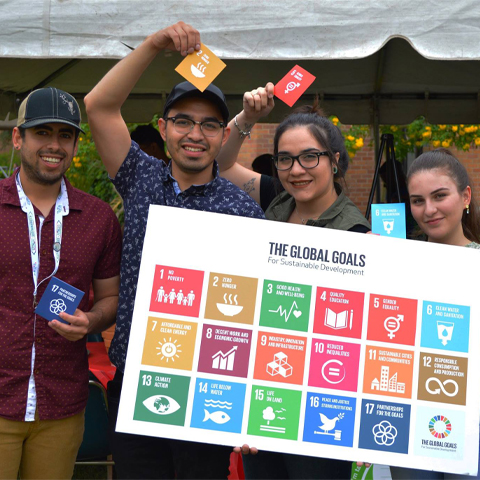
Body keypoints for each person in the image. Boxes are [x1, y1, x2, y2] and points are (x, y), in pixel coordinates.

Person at [84, 21, 264, 480]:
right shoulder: (140, 177)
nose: (194, 134)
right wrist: (153, 44)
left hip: (209, 387)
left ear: (224, 136)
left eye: (208, 124)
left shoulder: (242, 211)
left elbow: (260, 312)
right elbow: (99, 106)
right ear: (163, 128)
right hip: (136, 376)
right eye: (182, 121)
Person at [219, 85, 370, 479]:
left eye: (309, 157)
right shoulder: (273, 199)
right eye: (285, 159)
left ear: (334, 161)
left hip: (320, 413)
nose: (296, 169)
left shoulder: (359, 237)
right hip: (263, 401)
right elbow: (220, 164)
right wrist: (248, 119)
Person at [0, 87, 122, 479]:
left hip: (60, 406)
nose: (54, 145)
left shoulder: (98, 219)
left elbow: (110, 297)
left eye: (65, 135)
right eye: (42, 133)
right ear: (18, 138)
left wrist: (91, 321)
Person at [389, 148, 479, 479]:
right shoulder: (394, 264)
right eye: (417, 201)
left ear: (465, 195)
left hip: (471, 426)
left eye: (440, 196)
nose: (429, 210)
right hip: (407, 422)